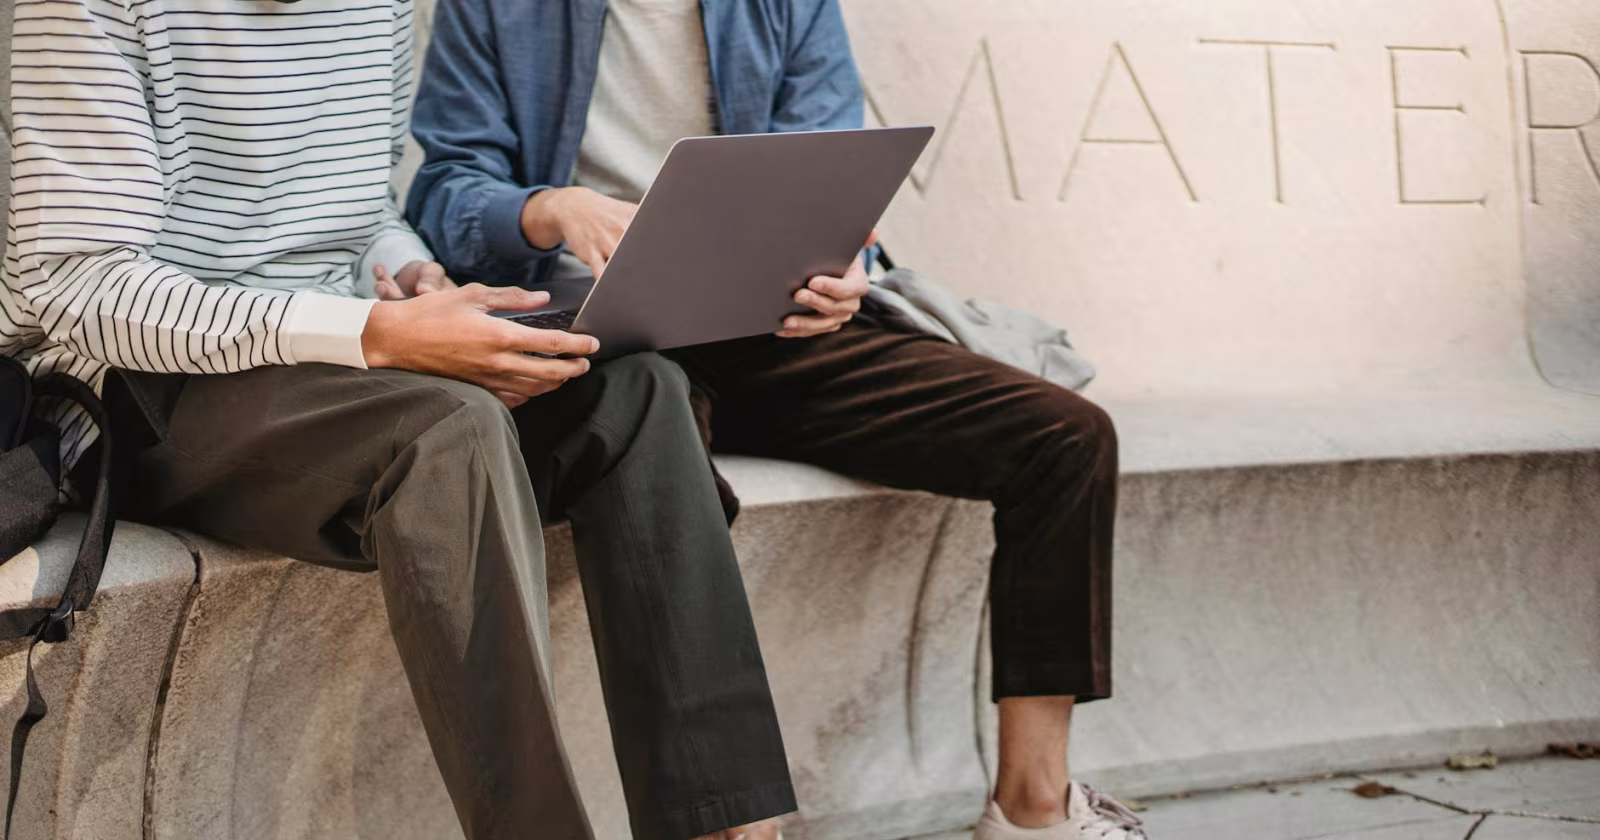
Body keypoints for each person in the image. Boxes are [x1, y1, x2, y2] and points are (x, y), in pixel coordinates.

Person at [1, 1, 796, 838]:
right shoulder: (89, 8)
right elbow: (80, 286)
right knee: (449, 429)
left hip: (338, 357)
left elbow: (360, 214)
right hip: (140, 388)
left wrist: (417, 281)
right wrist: (375, 335)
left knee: (634, 389)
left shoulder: (376, 5)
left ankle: (725, 823)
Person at [405, 0, 1141, 838]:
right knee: (655, 444)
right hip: (605, 336)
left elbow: (833, 180)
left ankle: (1033, 806)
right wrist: (554, 208)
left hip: (768, 322)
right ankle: (734, 823)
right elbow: (446, 195)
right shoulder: (496, 8)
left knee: (1064, 437)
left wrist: (845, 275)